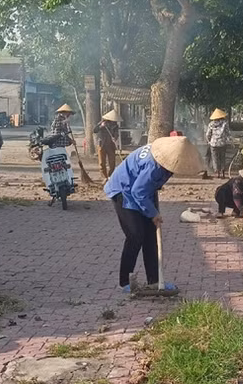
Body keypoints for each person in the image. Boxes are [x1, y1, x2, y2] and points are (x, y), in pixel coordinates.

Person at [104, 136, 203, 296]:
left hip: (140, 191)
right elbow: (138, 191)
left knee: (151, 236)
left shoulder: (164, 161)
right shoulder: (154, 166)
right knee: (135, 236)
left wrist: (153, 212)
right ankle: (125, 282)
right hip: (123, 191)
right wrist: (153, 213)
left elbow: (149, 188)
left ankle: (155, 280)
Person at [94, 109, 120, 180]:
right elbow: (95, 130)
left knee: (112, 162)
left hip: (111, 145)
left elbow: (116, 133)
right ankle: (104, 177)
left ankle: (111, 176)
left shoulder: (115, 125)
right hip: (102, 144)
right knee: (102, 162)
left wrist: (115, 138)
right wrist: (101, 126)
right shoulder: (102, 122)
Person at [205, 108, 231, 179]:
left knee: (215, 158)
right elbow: (228, 133)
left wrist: (209, 141)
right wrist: (230, 140)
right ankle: (223, 172)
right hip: (223, 143)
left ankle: (217, 173)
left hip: (213, 144)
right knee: (222, 158)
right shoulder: (225, 123)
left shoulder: (211, 124)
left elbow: (208, 134)